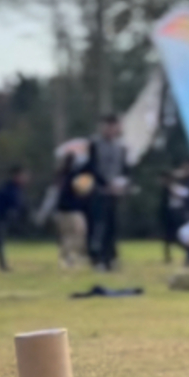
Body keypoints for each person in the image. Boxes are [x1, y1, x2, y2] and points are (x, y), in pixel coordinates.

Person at [86, 114, 129, 271]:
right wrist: (105, 183)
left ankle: (111, 258)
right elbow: (92, 167)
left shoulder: (121, 147)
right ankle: (98, 258)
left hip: (115, 192)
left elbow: (125, 169)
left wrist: (122, 184)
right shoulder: (95, 144)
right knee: (99, 225)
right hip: (99, 191)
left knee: (113, 226)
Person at [54, 153, 93, 269]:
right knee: (77, 234)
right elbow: (80, 191)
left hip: (62, 210)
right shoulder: (74, 176)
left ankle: (67, 258)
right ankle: (67, 258)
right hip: (73, 209)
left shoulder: (61, 175)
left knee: (67, 235)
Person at [0, 165, 30, 272]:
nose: (25, 178)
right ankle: (2, 265)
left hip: (2, 217)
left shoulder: (16, 189)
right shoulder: (9, 188)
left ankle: (2, 264)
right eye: (23, 176)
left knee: (0, 241)